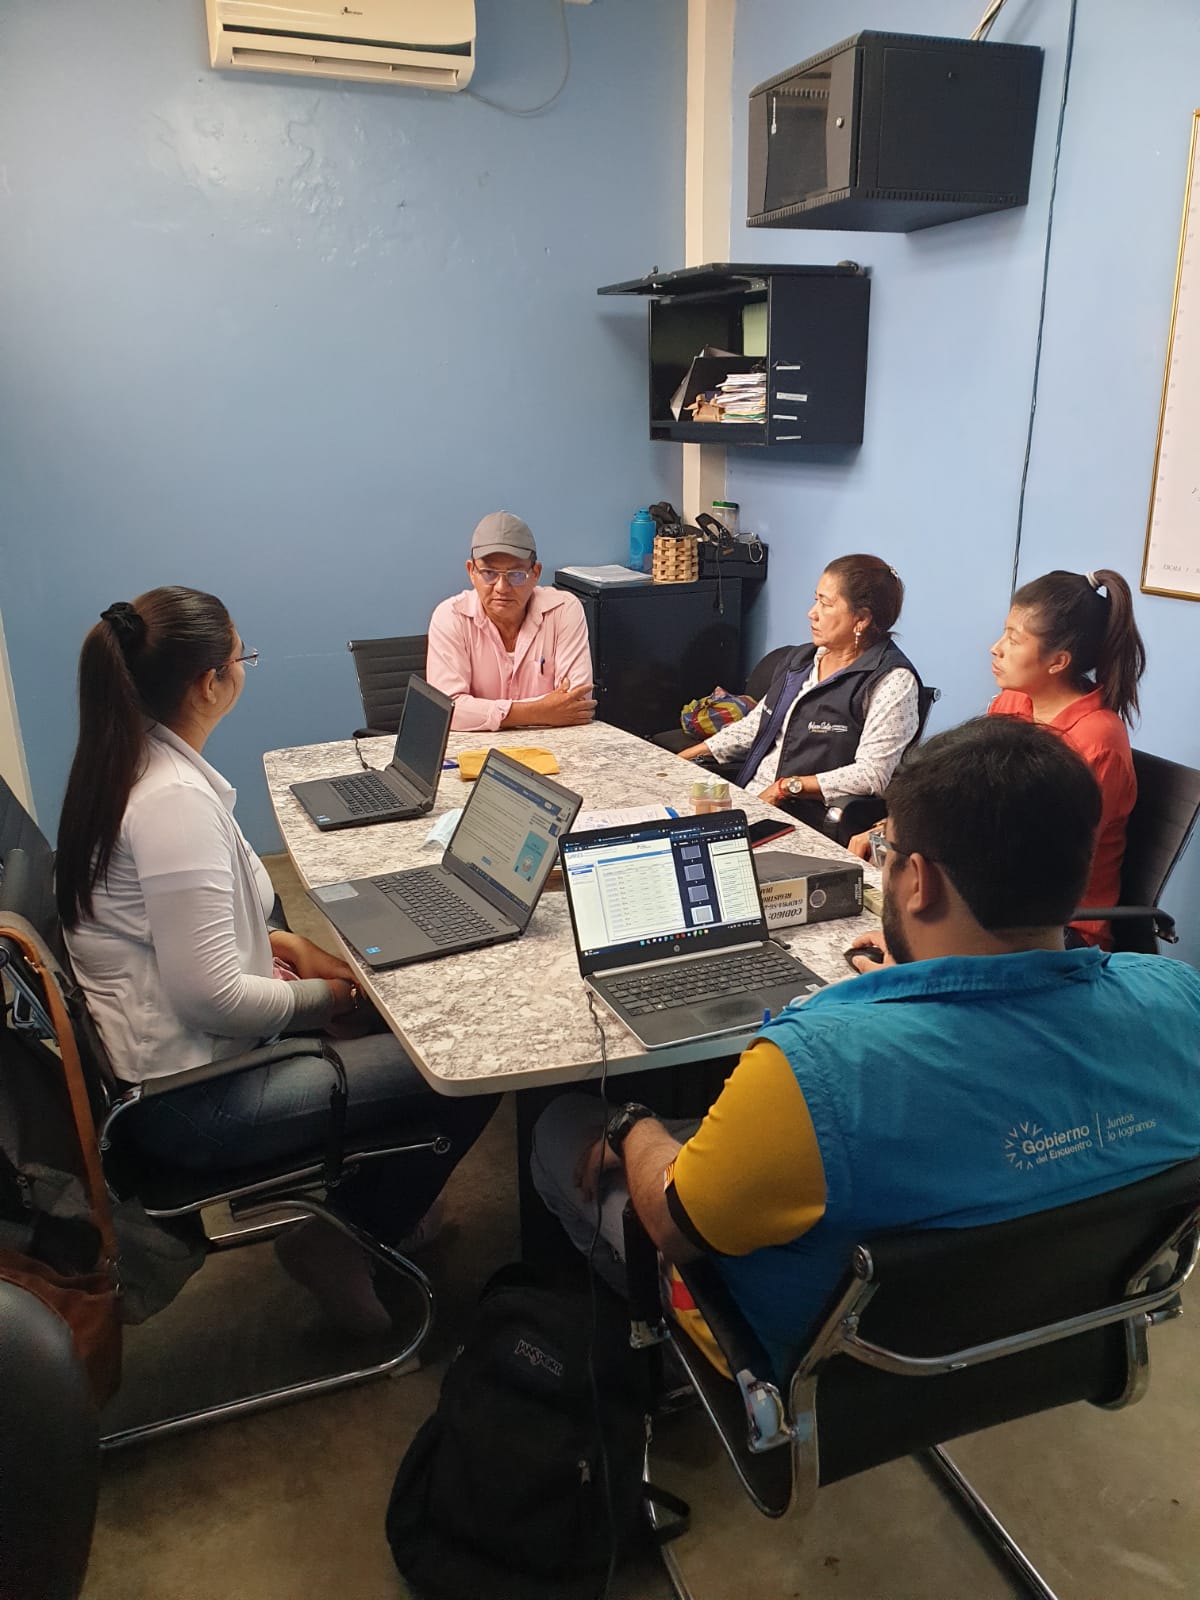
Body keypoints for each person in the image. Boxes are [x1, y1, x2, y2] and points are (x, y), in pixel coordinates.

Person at [531, 718, 1200, 1383]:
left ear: (917, 881)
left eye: (887, 849)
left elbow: (670, 1224)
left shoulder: (813, 1066)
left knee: (563, 1125)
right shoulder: (1180, 1000)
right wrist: (919, 978)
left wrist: (631, 1125)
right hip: (1051, 1338)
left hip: (827, 1373)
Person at [56, 588, 497, 1336]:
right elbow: (214, 997)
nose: (244, 668)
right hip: (196, 1105)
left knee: (390, 1012)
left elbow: (208, 928)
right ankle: (343, 1239)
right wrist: (329, 1002)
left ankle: (381, 1202)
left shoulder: (133, 761)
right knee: (466, 1066)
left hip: (184, 1070)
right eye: (243, 657)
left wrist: (290, 950)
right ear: (209, 683)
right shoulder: (171, 805)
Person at [849, 566, 1146, 949]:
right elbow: (965, 798)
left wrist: (921, 940)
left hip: (1051, 927)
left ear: (1058, 661)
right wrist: (891, 834)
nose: (996, 647)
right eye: (1004, 632)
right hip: (989, 893)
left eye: (1014, 639)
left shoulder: (1097, 740)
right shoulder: (1013, 702)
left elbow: (1042, 866)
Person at [676, 554, 921, 831]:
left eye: (825, 604)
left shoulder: (891, 681)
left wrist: (787, 787)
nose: (812, 613)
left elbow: (872, 774)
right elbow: (756, 726)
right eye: (816, 599)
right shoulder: (802, 660)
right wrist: (683, 758)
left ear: (861, 619)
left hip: (805, 818)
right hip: (752, 801)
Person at [426, 510, 596, 732]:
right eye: (489, 573)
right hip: (475, 750)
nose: (501, 587)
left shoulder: (564, 610)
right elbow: (447, 711)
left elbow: (577, 704)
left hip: (552, 748)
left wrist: (481, 713)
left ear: (535, 573)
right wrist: (539, 712)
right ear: (471, 572)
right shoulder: (451, 616)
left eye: (516, 574)